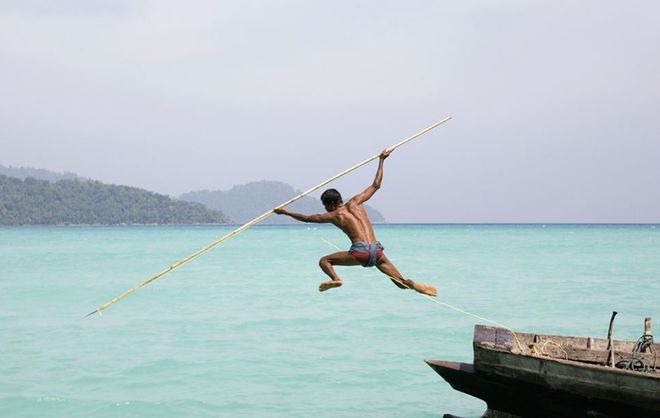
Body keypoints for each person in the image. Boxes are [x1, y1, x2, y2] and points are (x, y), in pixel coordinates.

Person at [274, 149, 437, 297]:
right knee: (401, 283)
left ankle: (336, 279)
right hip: (377, 250)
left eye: (325, 206)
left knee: (324, 261)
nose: (326, 209)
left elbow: (308, 218)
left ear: (331, 204)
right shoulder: (357, 202)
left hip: (360, 252)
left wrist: (285, 212)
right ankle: (413, 285)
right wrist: (382, 160)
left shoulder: (334, 215)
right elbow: (376, 185)